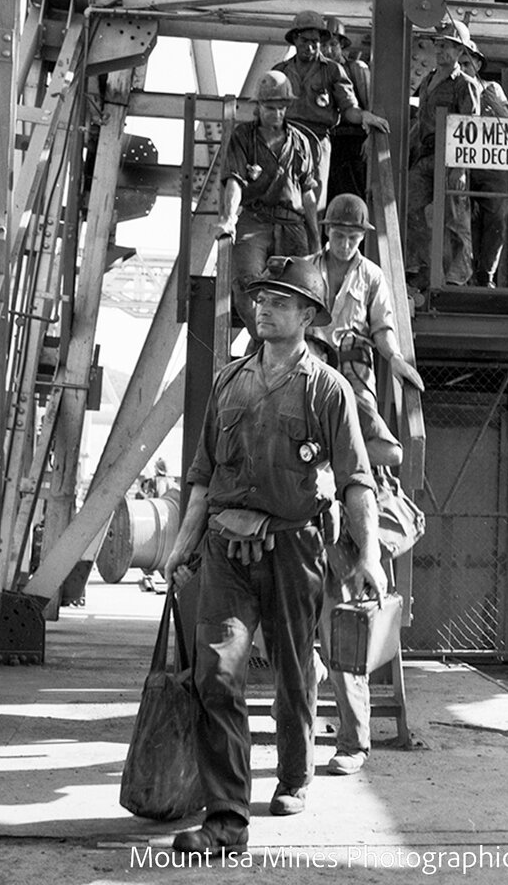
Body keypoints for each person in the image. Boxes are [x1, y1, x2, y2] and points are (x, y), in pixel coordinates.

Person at [165, 256, 388, 857]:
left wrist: (366, 553)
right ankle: (227, 819)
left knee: (294, 672)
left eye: (280, 301)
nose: (264, 308)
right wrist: (184, 540)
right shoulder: (229, 381)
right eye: (262, 298)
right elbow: (204, 473)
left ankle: (294, 775)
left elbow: (356, 480)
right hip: (227, 548)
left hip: (296, 546)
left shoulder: (328, 390)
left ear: (307, 314)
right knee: (216, 674)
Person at [304, 334, 403, 777]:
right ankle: (298, 740)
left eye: (313, 350)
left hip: (339, 542)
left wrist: (341, 455)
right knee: (294, 644)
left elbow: (392, 451)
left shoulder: (345, 399)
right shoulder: (286, 396)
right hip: (294, 537)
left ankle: (353, 742)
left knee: (342, 639)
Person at [218, 71, 319, 342]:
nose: (276, 113)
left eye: (282, 108)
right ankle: (265, 344)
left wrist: (315, 236)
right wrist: (229, 219)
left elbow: (308, 192)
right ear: (258, 107)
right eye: (271, 107)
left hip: (292, 224)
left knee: (300, 290)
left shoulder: (299, 142)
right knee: (245, 286)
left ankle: (290, 347)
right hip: (255, 218)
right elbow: (234, 181)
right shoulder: (243, 137)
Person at [309, 193, 425, 410]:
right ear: (327, 231)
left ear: (362, 236)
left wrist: (395, 358)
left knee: (367, 424)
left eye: (353, 238)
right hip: (312, 363)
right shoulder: (306, 269)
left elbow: (382, 327)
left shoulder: (373, 276)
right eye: (339, 236)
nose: (345, 244)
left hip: (355, 367)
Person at [273, 10, 389, 213]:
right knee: (283, 201)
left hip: (318, 142)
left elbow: (349, 108)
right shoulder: (280, 72)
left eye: (315, 41)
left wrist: (364, 116)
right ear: (294, 39)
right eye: (304, 40)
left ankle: (316, 242)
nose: (310, 47)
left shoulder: (335, 71)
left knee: (315, 206)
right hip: (287, 141)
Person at [406, 19, 480, 289]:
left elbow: (471, 130)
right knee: (411, 206)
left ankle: (458, 275)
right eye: (438, 45)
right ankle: (420, 266)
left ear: (461, 52)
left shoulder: (465, 84)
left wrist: (459, 170)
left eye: (448, 46)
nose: (441, 50)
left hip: (450, 158)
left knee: (454, 217)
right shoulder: (427, 80)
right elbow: (421, 123)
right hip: (425, 157)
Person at [460, 40, 508, 288]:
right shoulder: (454, 87)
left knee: (496, 219)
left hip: (490, 165)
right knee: (462, 219)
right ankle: (463, 274)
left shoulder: (493, 88)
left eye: (467, 63)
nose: (463, 68)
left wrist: (495, 104)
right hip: (461, 163)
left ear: (478, 64)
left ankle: (486, 274)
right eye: (459, 64)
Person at [322, 16, 372, 201]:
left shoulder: (356, 69)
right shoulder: (315, 74)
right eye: (323, 44)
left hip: (352, 143)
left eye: (333, 44)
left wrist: (371, 138)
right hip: (324, 142)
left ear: (342, 46)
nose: (327, 50)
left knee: (351, 196)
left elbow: (370, 108)